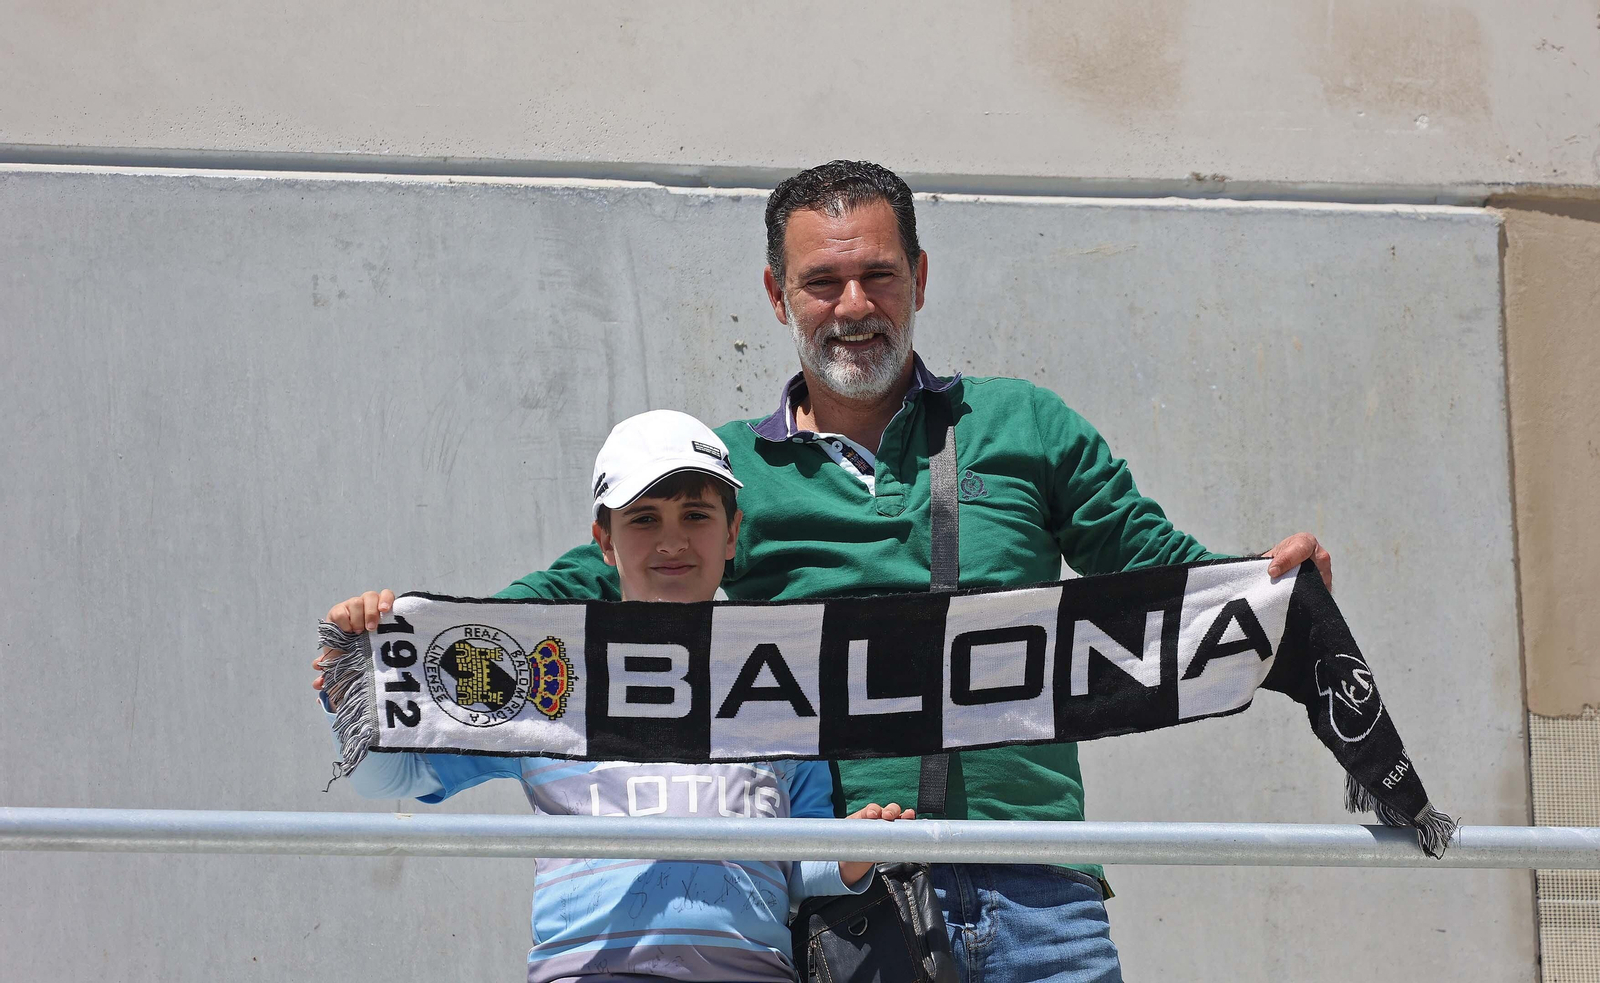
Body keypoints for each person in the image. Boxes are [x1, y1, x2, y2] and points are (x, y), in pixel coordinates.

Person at [329, 160, 1334, 983]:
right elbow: (585, 599)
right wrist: (411, 650)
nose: (852, 305)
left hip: (1040, 894)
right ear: (777, 295)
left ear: (920, 278)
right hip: (851, 909)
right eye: (821, 282)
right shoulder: (722, 476)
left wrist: (1269, 588)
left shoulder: (1026, 426)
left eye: (878, 276)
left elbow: (1148, 563)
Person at [313, 409, 912, 983]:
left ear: (732, 534)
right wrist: (355, 681)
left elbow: (796, 865)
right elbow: (388, 782)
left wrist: (849, 856)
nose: (672, 542)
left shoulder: (784, 681)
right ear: (605, 539)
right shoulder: (549, 670)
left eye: (696, 516)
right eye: (644, 518)